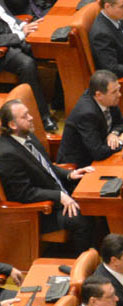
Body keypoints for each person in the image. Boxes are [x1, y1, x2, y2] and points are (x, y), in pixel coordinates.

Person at [0, 100, 95, 252]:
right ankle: (81, 261)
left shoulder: (28, 136)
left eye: (29, 113)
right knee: (80, 217)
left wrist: (70, 174)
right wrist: (58, 196)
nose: (31, 117)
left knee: (92, 192)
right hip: (40, 212)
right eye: (25, 116)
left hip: (54, 190)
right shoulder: (7, 154)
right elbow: (23, 193)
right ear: (12, 125)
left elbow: (47, 166)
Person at [0, 0, 56, 133]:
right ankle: (42, 117)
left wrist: (23, 25)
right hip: (4, 48)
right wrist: (20, 35)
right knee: (26, 64)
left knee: (52, 43)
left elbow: (8, 17)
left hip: (14, 36)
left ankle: (58, 101)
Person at [58, 71, 123, 168]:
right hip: (78, 166)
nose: (119, 94)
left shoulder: (108, 99)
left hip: (100, 153)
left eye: (118, 89)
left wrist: (113, 134)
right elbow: (98, 152)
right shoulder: (87, 114)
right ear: (99, 95)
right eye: (114, 92)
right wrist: (120, 141)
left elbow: (120, 123)